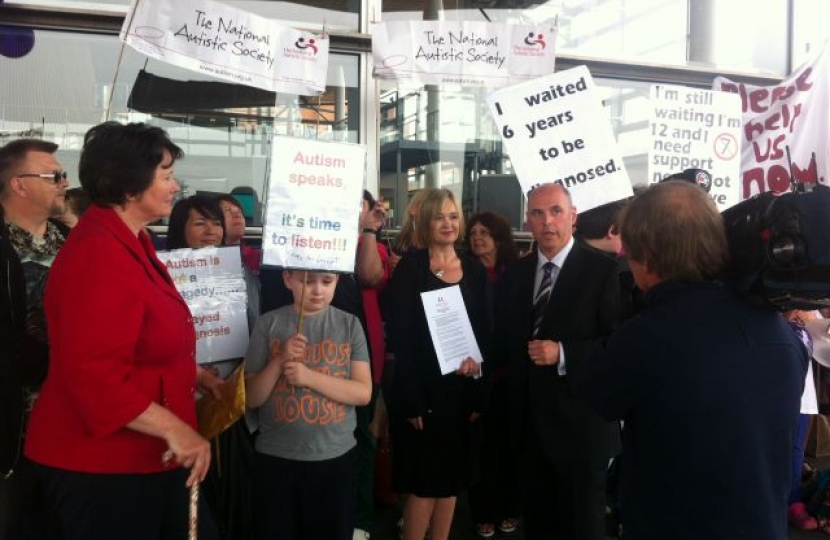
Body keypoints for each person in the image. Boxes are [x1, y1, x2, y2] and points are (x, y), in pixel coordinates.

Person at [572, 180, 808, 540]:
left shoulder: (649, 336)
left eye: (629, 252)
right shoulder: (780, 333)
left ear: (647, 254)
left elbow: (593, 388)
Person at [24, 122, 214, 540]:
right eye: (165, 176)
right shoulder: (99, 254)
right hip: (103, 468)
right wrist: (174, 427)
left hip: (141, 461)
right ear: (130, 187)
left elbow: (136, 341)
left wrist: (192, 374)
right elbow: (93, 375)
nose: (175, 185)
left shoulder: (132, 241)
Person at [494, 182, 620, 540]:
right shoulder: (516, 275)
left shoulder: (603, 271)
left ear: (573, 217)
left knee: (583, 527)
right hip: (529, 428)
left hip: (581, 429)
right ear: (528, 221)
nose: (547, 221)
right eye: (537, 213)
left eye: (555, 211)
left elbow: (617, 345)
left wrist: (564, 352)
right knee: (538, 523)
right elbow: (503, 340)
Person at [387, 188, 490, 540]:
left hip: (462, 392)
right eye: (439, 216)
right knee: (423, 486)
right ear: (426, 221)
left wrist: (478, 384)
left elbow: (486, 334)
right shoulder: (410, 272)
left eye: (453, 216)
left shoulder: (475, 271)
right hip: (423, 395)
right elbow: (400, 339)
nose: (447, 223)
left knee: (452, 483)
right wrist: (412, 399)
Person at [245, 270, 372, 540]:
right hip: (276, 458)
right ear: (288, 279)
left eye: (327, 282)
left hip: (334, 459)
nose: (317, 290)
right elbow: (251, 397)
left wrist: (309, 377)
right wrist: (279, 361)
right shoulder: (268, 323)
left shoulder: (349, 324)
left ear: (337, 280)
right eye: (306, 281)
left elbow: (363, 393)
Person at [0, 138, 67, 540]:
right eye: (54, 175)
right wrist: (52, 366)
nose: (64, 182)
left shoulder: (74, 242)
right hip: (12, 424)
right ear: (19, 185)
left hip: (70, 421)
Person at [463, 211, 520, 538]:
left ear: (499, 236)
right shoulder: (464, 273)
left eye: (484, 232)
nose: (477, 238)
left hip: (508, 375)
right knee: (480, 448)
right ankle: (482, 512)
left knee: (509, 447)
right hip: (474, 373)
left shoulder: (517, 273)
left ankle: (509, 508)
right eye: (472, 233)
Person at [216, 193, 261, 275]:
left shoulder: (258, 258)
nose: (237, 215)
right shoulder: (203, 260)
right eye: (227, 211)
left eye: (239, 211)